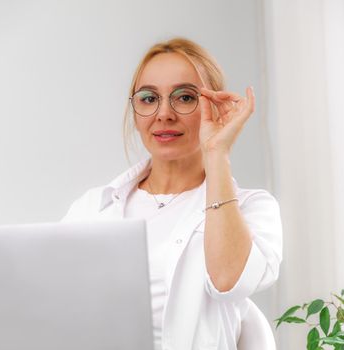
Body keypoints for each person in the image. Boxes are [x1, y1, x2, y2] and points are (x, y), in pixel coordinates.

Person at [61, 37, 283, 350]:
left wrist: (217, 153)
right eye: (149, 99)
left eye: (185, 97)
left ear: (215, 106)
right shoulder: (90, 208)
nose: (164, 114)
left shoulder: (253, 208)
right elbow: (57, 309)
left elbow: (230, 282)